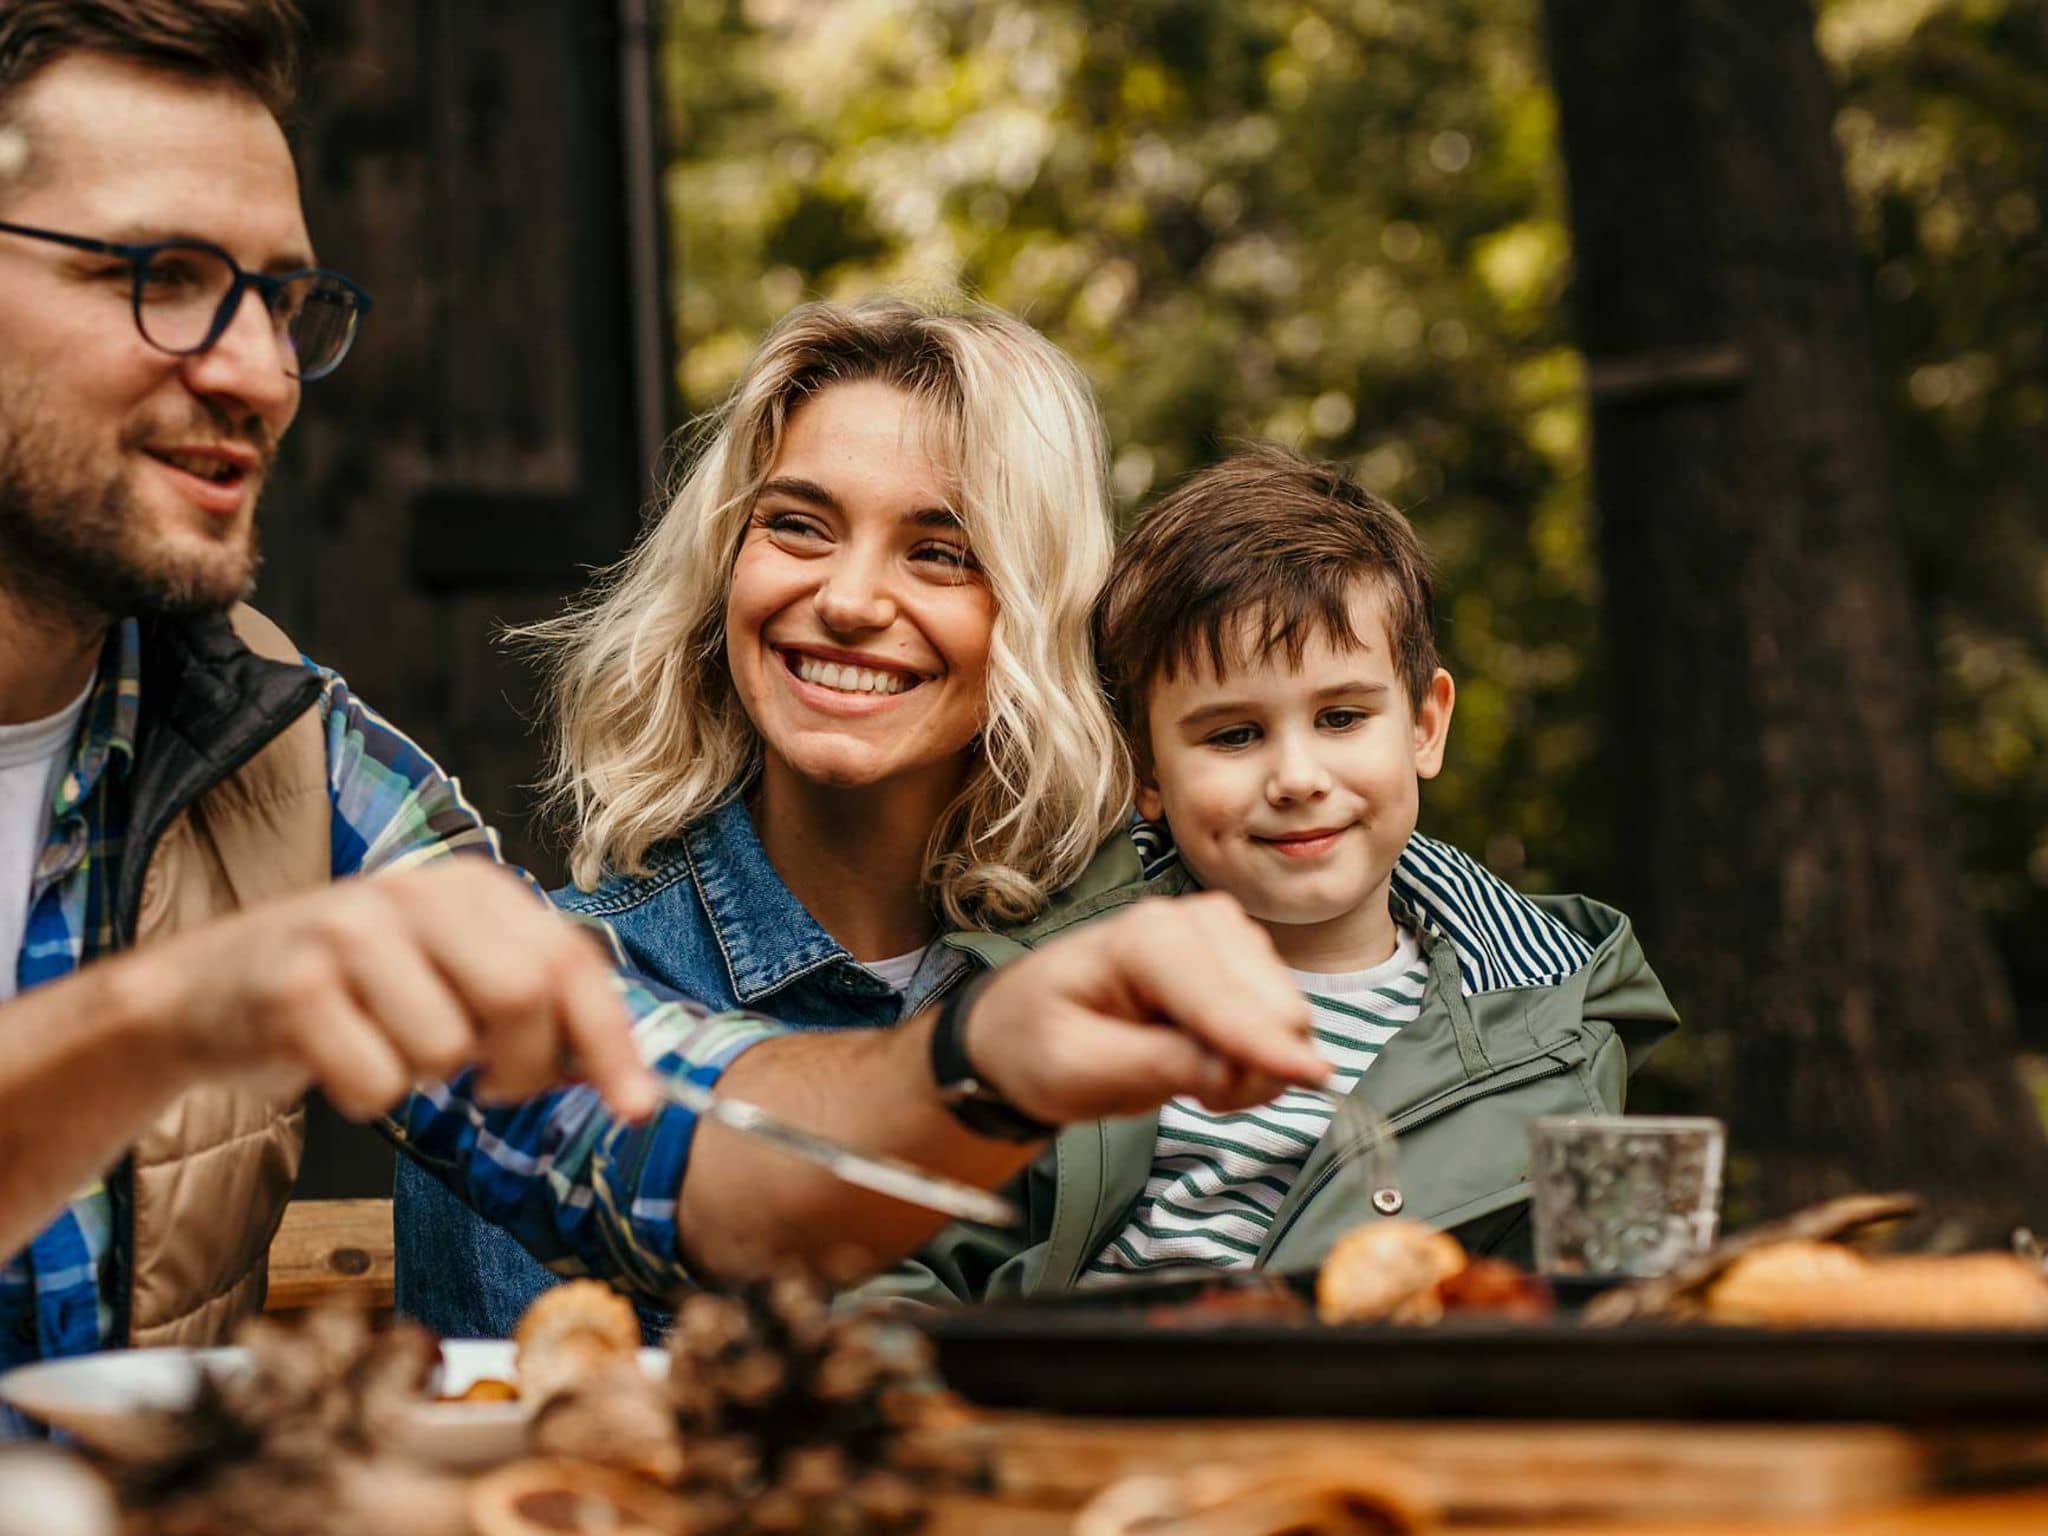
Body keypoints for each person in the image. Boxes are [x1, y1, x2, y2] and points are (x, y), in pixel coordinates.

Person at [0, 0, 1328, 1413]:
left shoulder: (282, 757)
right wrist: (163, 1018)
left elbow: (675, 1144)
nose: (261, 371)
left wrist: (980, 1061)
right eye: (163, 276)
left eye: (280, 300)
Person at [397, 295, 1141, 1336]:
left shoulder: (1116, 968)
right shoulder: (549, 1002)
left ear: (1037, 607)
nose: (846, 598)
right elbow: (540, 1463)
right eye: (797, 526)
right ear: (721, 567)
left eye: (939, 551)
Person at [871, 445, 1681, 1301]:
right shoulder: (1062, 986)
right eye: (1234, 735)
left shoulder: (1558, 1023)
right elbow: (902, 1261)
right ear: (1147, 770)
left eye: (1341, 717)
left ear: (1425, 726)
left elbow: (1614, 1315)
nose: (1297, 778)